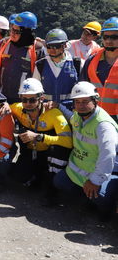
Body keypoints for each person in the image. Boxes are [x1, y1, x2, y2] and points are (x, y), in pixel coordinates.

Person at [53, 81, 118, 221]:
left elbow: (108, 155)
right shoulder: (78, 116)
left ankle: (107, 209)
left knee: (101, 197)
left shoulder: (103, 125)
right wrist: (57, 106)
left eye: (85, 101)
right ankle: (86, 198)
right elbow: (71, 117)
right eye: (77, 102)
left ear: (95, 101)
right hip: (77, 171)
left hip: (100, 173)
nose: (81, 106)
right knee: (59, 182)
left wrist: (95, 181)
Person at [9, 78, 72, 204]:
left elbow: (68, 142)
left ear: (41, 98)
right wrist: (4, 105)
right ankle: (36, 177)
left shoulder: (54, 114)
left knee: (59, 150)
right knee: (17, 176)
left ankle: (52, 190)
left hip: (49, 154)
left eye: (32, 100)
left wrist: (39, 137)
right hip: (31, 152)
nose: (28, 103)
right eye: (24, 99)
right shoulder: (18, 108)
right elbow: (6, 108)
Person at [0, 11, 44, 104]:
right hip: (3, 96)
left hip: (24, 101)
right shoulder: (4, 43)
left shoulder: (38, 49)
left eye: (16, 31)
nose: (12, 34)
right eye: (12, 29)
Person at [32, 29, 79, 119]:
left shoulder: (77, 64)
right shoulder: (40, 65)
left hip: (70, 111)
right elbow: (35, 90)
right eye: (49, 46)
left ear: (65, 45)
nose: (52, 50)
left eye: (56, 46)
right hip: (47, 110)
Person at [80, 17, 118, 122]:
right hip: (94, 115)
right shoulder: (93, 58)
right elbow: (83, 86)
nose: (109, 41)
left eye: (114, 37)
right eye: (106, 37)